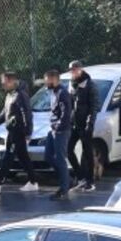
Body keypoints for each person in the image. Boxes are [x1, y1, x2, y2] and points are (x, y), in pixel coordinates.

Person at [0, 71, 38, 192]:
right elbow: (5, 113)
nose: (2, 85)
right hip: (12, 131)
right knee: (23, 156)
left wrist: (28, 132)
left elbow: (27, 114)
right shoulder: (10, 95)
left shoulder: (20, 95)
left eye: (4, 82)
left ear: (10, 81)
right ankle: (33, 181)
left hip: (18, 132)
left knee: (8, 156)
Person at [67, 61, 100, 192]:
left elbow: (94, 107)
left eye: (75, 70)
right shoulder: (71, 84)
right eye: (71, 70)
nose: (73, 72)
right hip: (74, 123)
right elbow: (69, 103)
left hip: (85, 124)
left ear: (81, 70)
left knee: (87, 153)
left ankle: (90, 181)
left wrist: (89, 123)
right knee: (68, 150)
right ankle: (80, 177)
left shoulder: (90, 85)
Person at [44, 69, 73, 200]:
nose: (46, 82)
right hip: (53, 129)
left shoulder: (63, 93)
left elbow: (66, 114)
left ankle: (64, 189)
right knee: (48, 156)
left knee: (61, 159)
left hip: (61, 130)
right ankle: (67, 179)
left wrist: (58, 127)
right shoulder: (53, 92)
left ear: (54, 79)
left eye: (47, 80)